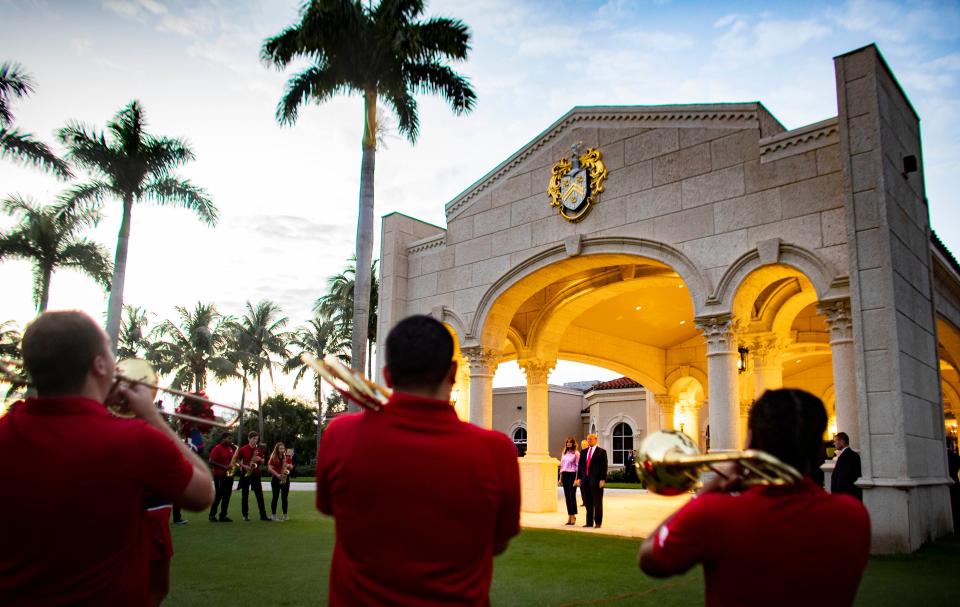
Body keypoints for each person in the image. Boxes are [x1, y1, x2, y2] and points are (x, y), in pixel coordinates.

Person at [0, 310, 214, 605]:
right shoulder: (136, 439)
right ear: (100, 365)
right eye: (111, 355)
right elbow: (203, 493)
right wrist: (151, 416)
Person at [317, 315, 521, 606]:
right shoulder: (497, 450)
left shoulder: (339, 435)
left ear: (387, 376)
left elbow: (330, 508)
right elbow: (497, 544)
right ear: (452, 371)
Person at [638, 389, 871, 606]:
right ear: (819, 447)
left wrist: (706, 493)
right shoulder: (853, 514)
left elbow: (649, 558)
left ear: (750, 441)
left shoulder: (715, 512)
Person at [575, 433, 607, 528]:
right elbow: (581, 466)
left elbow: (603, 467)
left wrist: (602, 479)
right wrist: (579, 478)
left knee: (597, 502)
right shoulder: (584, 452)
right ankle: (589, 523)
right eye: (588, 439)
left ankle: (598, 522)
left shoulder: (601, 452)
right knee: (588, 503)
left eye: (591, 439)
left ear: (596, 439)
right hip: (585, 481)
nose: (589, 441)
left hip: (596, 481)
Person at [236, 432, 270, 522]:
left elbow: (263, 461)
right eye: (254, 438)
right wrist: (244, 466)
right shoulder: (243, 449)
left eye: (257, 439)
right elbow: (238, 461)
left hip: (256, 473)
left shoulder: (259, 449)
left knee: (259, 495)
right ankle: (245, 515)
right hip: (246, 473)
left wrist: (260, 459)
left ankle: (263, 515)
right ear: (249, 438)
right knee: (245, 495)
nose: (255, 441)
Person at [208, 432, 236, 522]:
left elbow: (232, 460)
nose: (230, 441)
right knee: (219, 495)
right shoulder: (217, 448)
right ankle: (212, 515)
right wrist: (224, 467)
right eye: (229, 438)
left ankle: (223, 515)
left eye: (231, 439)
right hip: (219, 475)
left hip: (229, 475)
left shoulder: (230, 448)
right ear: (223, 438)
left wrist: (234, 465)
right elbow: (211, 461)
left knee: (227, 496)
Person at [831, 431, 863, 501]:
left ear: (842, 441)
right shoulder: (854, 455)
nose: (834, 443)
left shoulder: (845, 457)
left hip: (845, 497)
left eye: (835, 441)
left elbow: (842, 480)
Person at [558, 436, 580, 525]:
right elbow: (562, 466)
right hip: (565, 475)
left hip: (572, 475)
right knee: (567, 497)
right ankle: (569, 515)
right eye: (567, 442)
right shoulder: (564, 453)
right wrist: (560, 478)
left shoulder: (576, 453)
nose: (568, 443)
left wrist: (576, 479)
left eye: (570, 442)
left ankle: (573, 515)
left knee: (572, 496)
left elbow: (578, 467)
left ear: (573, 443)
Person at [268, 442, 292, 521]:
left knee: (284, 498)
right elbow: (270, 468)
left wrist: (288, 465)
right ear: (277, 449)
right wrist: (277, 475)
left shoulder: (287, 456)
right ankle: (274, 515)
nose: (282, 450)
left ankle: (285, 515)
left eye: (283, 448)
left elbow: (291, 466)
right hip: (276, 479)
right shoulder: (273, 457)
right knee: (275, 497)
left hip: (285, 478)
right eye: (280, 448)